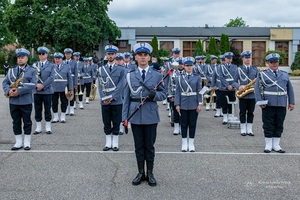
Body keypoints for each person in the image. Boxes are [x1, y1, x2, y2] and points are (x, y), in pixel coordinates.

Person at [122, 42, 167, 186]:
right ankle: (140, 172)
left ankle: (150, 173)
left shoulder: (156, 74)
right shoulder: (130, 76)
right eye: (139, 55)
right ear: (135, 58)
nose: (142, 58)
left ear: (149, 58)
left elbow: (164, 94)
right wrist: (124, 118)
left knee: (150, 146)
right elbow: (126, 98)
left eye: (145, 55)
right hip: (135, 114)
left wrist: (155, 96)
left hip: (150, 114)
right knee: (138, 146)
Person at [254, 53, 295, 153]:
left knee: (279, 124)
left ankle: (276, 144)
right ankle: (268, 144)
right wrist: (259, 101)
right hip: (268, 103)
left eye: (276, 62)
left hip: (281, 103)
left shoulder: (284, 74)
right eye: (272, 62)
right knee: (268, 124)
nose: (274, 64)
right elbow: (257, 88)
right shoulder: (262, 74)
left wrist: (291, 102)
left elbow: (290, 89)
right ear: (268, 63)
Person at [2, 48, 37, 150]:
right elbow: (5, 82)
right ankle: (18, 141)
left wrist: (19, 91)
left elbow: (33, 84)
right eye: (18, 57)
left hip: (25, 100)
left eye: (22, 57)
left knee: (27, 121)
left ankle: (27, 141)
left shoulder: (32, 70)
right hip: (13, 101)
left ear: (27, 58)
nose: (20, 59)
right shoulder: (11, 70)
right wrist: (8, 91)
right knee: (16, 121)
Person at [98, 45, 125, 151]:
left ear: (115, 55)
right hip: (104, 100)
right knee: (106, 121)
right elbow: (100, 85)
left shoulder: (121, 70)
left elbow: (121, 85)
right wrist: (104, 98)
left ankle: (115, 143)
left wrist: (112, 97)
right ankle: (108, 142)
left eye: (112, 54)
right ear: (106, 55)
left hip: (116, 100)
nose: (110, 56)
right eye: (108, 54)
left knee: (117, 121)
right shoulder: (101, 69)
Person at [175, 57, 202, 152]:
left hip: (194, 103)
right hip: (183, 103)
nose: (189, 67)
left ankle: (191, 143)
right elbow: (177, 92)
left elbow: (199, 91)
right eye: (187, 65)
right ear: (184, 66)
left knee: (192, 124)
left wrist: (200, 103)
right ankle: (184, 143)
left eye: (190, 65)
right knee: (183, 124)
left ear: (193, 66)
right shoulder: (179, 77)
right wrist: (177, 104)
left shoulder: (197, 77)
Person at [235, 51, 259, 136]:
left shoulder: (255, 69)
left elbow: (258, 81)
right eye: (246, 58)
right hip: (243, 94)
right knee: (242, 112)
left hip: (252, 94)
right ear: (242, 59)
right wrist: (238, 86)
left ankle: (249, 129)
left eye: (249, 58)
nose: (248, 59)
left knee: (251, 112)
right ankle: (243, 128)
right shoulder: (238, 69)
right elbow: (234, 81)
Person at [32, 46, 55, 135]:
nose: (41, 55)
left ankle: (48, 127)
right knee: (37, 109)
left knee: (47, 109)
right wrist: (36, 85)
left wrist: (43, 85)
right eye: (40, 54)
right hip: (37, 90)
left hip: (47, 90)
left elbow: (52, 77)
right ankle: (38, 127)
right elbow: (32, 77)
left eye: (43, 54)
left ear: (46, 55)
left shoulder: (51, 65)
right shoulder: (35, 65)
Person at [51, 52, 73, 123]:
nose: (57, 60)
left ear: (61, 59)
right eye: (56, 59)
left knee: (64, 102)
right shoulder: (51, 66)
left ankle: (63, 116)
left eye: (59, 59)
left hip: (64, 87)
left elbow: (70, 78)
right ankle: (55, 116)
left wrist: (70, 88)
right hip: (53, 87)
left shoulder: (67, 66)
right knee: (54, 102)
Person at [218, 52, 239, 124]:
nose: (229, 60)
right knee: (223, 102)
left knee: (231, 101)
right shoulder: (221, 67)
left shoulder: (235, 67)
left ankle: (230, 115)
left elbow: (236, 77)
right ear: (225, 59)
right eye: (227, 58)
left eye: (230, 58)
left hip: (232, 87)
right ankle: (225, 117)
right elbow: (221, 77)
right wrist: (227, 85)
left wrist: (232, 85)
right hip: (223, 87)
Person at [63, 48, 78, 115]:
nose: (67, 55)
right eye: (66, 54)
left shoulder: (74, 62)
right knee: (65, 95)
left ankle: (71, 109)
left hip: (71, 80)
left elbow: (76, 73)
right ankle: (65, 109)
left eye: (69, 54)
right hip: (64, 81)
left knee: (71, 94)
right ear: (65, 54)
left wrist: (75, 83)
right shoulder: (62, 62)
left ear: (71, 55)